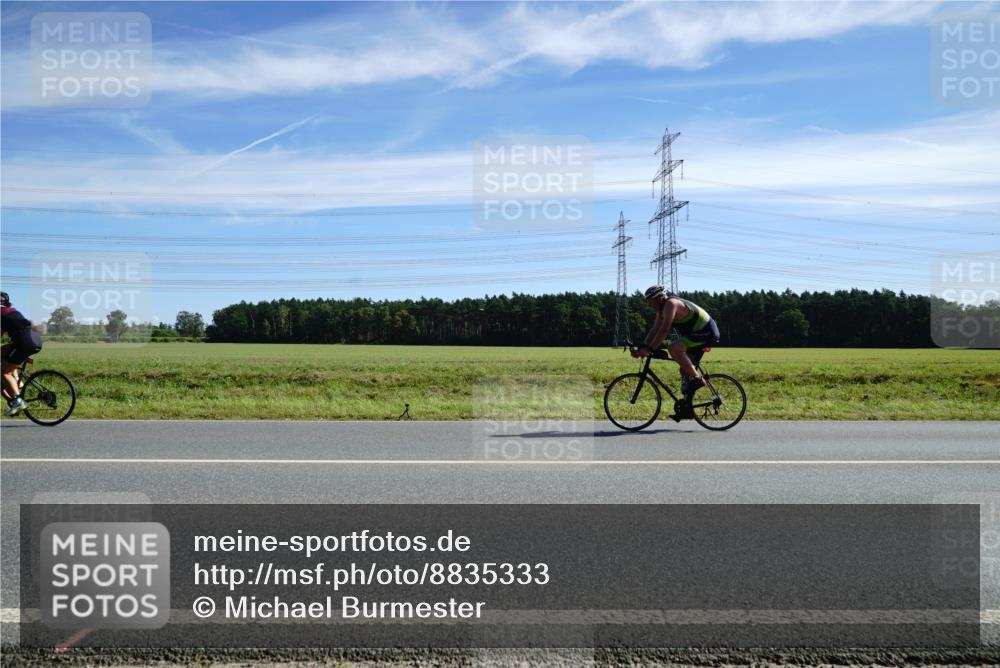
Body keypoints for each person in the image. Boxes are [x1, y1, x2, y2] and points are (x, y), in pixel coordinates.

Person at [632, 285, 720, 399]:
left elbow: (664, 330)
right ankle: (687, 407)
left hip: (706, 332)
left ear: (659, 299)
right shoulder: (661, 310)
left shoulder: (671, 304)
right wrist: (642, 347)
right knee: (684, 370)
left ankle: (697, 379)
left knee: (673, 348)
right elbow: (654, 330)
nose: (649, 306)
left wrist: (649, 349)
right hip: (695, 334)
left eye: (650, 302)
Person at [1, 291, 43, 416]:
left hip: (23, 342)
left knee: (3, 371)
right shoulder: (10, 311)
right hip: (33, 340)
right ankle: (14, 378)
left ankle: (18, 400)